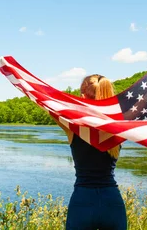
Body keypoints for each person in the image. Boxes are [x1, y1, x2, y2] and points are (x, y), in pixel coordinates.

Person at [53, 74, 127, 230]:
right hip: (112, 201)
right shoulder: (121, 125)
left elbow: (50, 106)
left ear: (82, 96)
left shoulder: (73, 127)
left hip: (83, 201)